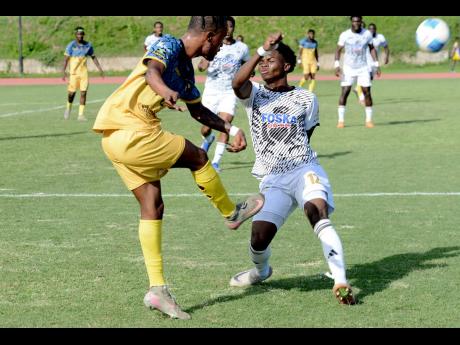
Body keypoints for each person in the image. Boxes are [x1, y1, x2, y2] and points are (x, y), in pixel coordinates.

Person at [92, 16, 264, 320]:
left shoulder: (186, 72)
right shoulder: (168, 44)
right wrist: (163, 90)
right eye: (222, 38)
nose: (223, 45)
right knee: (198, 156)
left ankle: (157, 289)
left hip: (114, 138)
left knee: (152, 206)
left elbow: (197, 110)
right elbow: (152, 72)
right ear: (209, 36)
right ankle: (231, 213)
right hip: (134, 131)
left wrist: (229, 128)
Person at [230, 32, 356, 305]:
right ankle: (262, 271)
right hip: (272, 178)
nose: (263, 65)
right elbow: (237, 82)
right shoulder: (255, 95)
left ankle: (341, 282)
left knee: (317, 212)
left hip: (303, 168)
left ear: (287, 66)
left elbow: (306, 134)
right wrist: (260, 50)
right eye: (262, 61)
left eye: (270, 60)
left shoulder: (306, 99)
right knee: (258, 237)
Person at [198, 16, 250, 172]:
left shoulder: (242, 48)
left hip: (229, 92)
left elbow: (247, 65)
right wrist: (204, 63)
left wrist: (248, 72)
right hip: (212, 91)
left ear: (234, 28)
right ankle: (208, 139)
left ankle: (215, 162)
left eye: (231, 27)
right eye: (225, 27)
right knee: (206, 128)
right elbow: (200, 67)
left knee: (224, 124)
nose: (228, 30)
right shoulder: (213, 43)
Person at [335, 16, 380, 128]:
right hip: (348, 68)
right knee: (345, 92)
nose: (356, 23)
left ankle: (368, 120)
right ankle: (341, 121)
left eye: (358, 21)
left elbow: (372, 48)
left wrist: (376, 64)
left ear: (361, 22)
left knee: (367, 92)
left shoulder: (367, 34)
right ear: (351, 22)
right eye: (354, 21)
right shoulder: (345, 35)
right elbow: (338, 50)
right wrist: (336, 65)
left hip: (363, 68)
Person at [63, 27, 104, 121]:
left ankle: (80, 115)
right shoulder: (71, 45)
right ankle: (68, 107)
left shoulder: (88, 45)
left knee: (83, 93)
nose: (80, 36)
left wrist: (100, 69)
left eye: (81, 34)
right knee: (71, 94)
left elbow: (93, 57)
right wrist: (63, 71)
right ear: (75, 35)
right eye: (78, 34)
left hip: (83, 73)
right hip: (73, 73)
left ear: (83, 35)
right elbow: (66, 59)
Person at [355, 23, 390, 105]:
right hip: (365, 62)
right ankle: (362, 97)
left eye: (373, 29)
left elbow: (386, 47)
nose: (371, 30)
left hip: (374, 62)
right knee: (365, 78)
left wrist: (387, 57)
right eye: (370, 29)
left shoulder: (380, 37)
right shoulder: (365, 37)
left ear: (375, 29)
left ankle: (358, 89)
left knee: (370, 78)